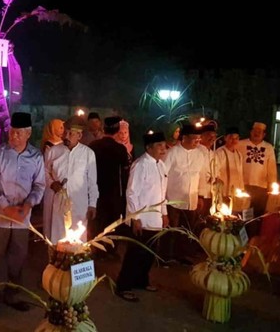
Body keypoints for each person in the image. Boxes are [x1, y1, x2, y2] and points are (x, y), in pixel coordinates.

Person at [0, 112, 45, 319]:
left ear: (28, 133)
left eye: (19, 133)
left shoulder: (36, 156)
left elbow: (39, 185)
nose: (14, 136)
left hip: (21, 218)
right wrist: (5, 206)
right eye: (11, 132)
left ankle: (12, 295)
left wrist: (28, 204)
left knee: (18, 258)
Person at [115, 131, 168, 302]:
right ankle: (123, 286)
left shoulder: (161, 165)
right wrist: (135, 218)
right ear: (148, 147)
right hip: (142, 219)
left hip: (156, 218)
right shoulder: (140, 164)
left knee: (149, 254)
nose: (163, 148)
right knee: (135, 254)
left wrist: (165, 213)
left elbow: (162, 193)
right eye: (159, 145)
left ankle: (141, 281)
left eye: (164, 145)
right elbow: (131, 193)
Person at [43, 116, 98, 244]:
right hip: (59, 205)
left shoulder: (88, 154)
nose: (66, 136)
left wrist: (92, 204)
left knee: (78, 243)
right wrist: (52, 183)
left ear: (79, 136)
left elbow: (92, 182)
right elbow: (44, 172)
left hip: (79, 205)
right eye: (65, 132)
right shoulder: (53, 151)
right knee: (58, 240)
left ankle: (76, 263)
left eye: (70, 133)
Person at [164, 123, 205, 263]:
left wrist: (200, 196)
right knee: (172, 229)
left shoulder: (200, 154)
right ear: (185, 137)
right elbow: (163, 175)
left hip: (191, 199)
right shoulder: (172, 153)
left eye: (199, 140)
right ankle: (167, 256)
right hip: (173, 199)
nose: (197, 142)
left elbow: (201, 176)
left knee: (187, 229)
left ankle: (183, 255)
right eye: (194, 139)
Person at [88, 116, 131, 242]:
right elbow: (124, 172)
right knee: (112, 223)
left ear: (103, 128)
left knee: (97, 220)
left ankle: (95, 247)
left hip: (95, 189)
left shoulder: (93, 146)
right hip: (113, 192)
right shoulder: (120, 149)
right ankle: (110, 250)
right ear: (117, 130)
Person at [237, 122, 277, 236]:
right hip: (244, 186)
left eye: (260, 132)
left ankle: (255, 238)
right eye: (255, 131)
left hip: (261, 188)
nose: (257, 133)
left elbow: (272, 169)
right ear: (251, 131)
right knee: (244, 213)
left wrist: (272, 186)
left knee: (258, 214)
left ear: (264, 135)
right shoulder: (240, 144)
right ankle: (243, 237)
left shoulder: (268, 148)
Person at [215, 127, 245, 199]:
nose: (234, 141)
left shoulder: (238, 154)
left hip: (236, 191)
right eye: (231, 138)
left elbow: (240, 173)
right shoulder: (220, 152)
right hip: (224, 191)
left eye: (236, 138)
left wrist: (241, 188)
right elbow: (216, 171)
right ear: (225, 138)